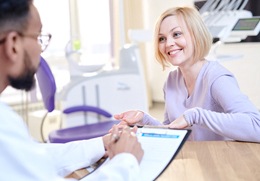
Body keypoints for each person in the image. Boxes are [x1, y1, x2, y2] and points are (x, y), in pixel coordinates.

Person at [0, 0, 143, 180]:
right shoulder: (4, 123)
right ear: (13, 44)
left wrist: (101, 144)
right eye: (38, 37)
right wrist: (125, 161)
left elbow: (32, 156)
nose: (40, 49)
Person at [114, 6, 260, 143]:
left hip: (219, 161)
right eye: (162, 39)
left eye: (176, 34)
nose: (168, 43)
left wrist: (195, 115)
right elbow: (171, 130)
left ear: (196, 35)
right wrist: (144, 119)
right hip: (190, 160)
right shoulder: (171, 81)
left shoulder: (217, 78)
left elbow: (256, 126)